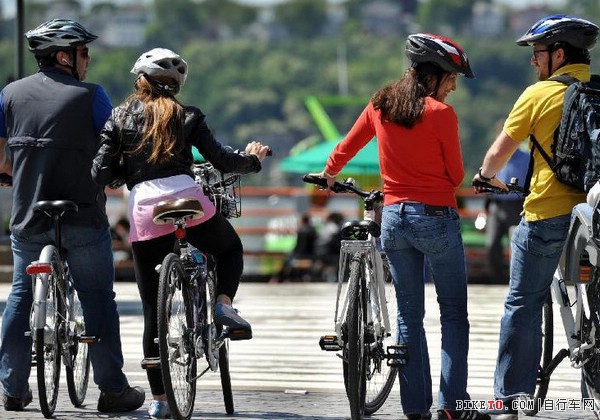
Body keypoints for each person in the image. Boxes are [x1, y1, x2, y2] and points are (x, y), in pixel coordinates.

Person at [310, 33, 489, 420]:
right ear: (434, 76)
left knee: (409, 315)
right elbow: (456, 175)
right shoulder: (441, 114)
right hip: (436, 217)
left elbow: (348, 144)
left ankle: (415, 408)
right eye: (452, 79)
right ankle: (452, 407)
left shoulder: (381, 103)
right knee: (453, 314)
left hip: (393, 219)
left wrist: (329, 173)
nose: (454, 87)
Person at [91, 48, 270, 419]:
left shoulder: (119, 116)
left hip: (145, 210)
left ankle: (159, 400)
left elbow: (100, 173)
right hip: (188, 200)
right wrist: (254, 159)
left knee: (151, 310)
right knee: (229, 249)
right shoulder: (188, 115)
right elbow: (223, 160)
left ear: (140, 80)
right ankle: (223, 304)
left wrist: (130, 173)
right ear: (175, 86)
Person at [0, 19, 145, 412]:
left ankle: (13, 388)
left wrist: (10, 171)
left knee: (20, 295)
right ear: (64, 57)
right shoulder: (92, 96)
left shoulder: (10, 94)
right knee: (97, 299)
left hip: (29, 216)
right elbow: (117, 146)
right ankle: (112, 390)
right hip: (82, 216)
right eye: (84, 52)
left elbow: (1, 156)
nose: (88, 59)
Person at [472, 15, 598, 419]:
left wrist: (485, 176)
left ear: (558, 54)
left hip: (548, 214)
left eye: (537, 53)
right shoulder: (598, 92)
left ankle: (511, 400)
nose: (533, 61)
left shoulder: (539, 94)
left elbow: (498, 155)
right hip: (594, 215)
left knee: (523, 304)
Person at [483, 147, 529, 284]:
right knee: (492, 244)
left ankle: (517, 280)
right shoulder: (495, 156)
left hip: (518, 205)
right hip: (496, 205)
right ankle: (496, 280)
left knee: (519, 244)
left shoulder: (527, 158)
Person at [274, 212, 317, 282]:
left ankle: (278, 279)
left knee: (286, 261)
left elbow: (300, 247)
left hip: (302, 256)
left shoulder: (302, 231)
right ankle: (281, 278)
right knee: (288, 260)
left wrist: (292, 254)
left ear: (302, 220)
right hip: (311, 255)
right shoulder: (313, 230)